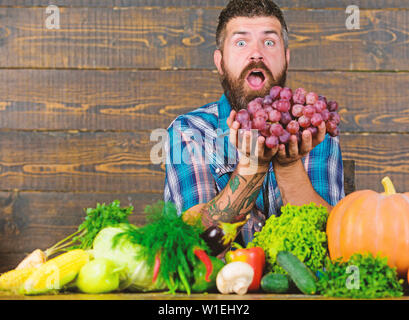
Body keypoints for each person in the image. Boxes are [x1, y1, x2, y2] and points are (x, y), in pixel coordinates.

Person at [164, 0, 344, 245]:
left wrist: (290, 166)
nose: (257, 53)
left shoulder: (315, 134)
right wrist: (252, 167)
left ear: (286, 57)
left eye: (269, 42)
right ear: (220, 62)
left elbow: (336, 244)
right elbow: (192, 247)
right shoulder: (189, 132)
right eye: (241, 42)